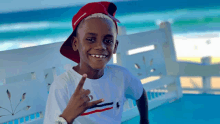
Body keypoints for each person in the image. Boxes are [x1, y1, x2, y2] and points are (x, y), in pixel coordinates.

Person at [43, 1, 149, 124]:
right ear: (75, 43)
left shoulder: (121, 76)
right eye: (91, 39)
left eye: (108, 40)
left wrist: (144, 120)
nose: (100, 46)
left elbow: (140, 93)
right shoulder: (63, 85)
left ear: (115, 46)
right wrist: (67, 116)